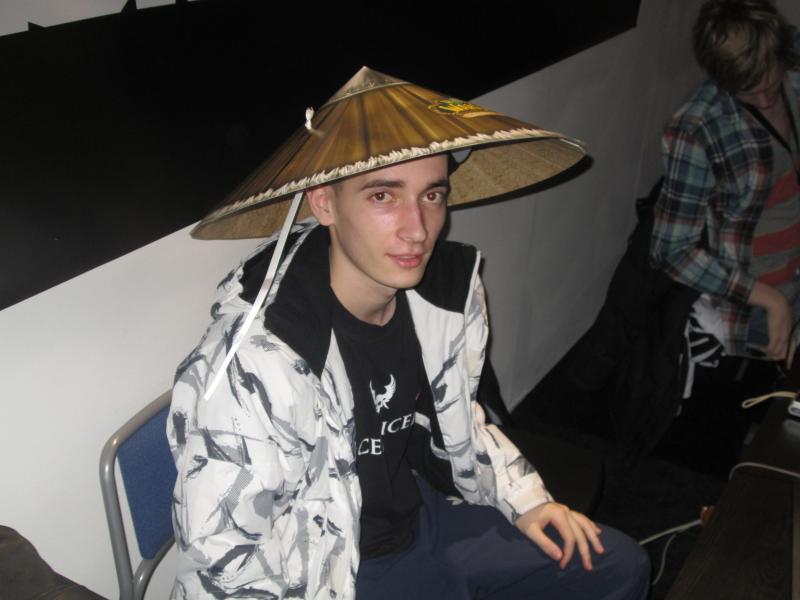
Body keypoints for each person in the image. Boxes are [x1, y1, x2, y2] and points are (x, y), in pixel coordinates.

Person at [168, 67, 649, 599]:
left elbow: (459, 417)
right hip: (333, 567)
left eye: (432, 196)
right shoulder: (256, 363)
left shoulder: (439, 299)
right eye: (383, 196)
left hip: (425, 515)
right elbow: (224, 562)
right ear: (324, 203)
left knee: (618, 566)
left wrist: (526, 499)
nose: (418, 229)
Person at [650, 0, 800, 367]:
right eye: (748, 91)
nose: (765, 99)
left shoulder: (794, 75)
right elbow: (671, 251)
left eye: (771, 81)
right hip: (761, 298)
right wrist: (771, 300)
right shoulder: (696, 129)